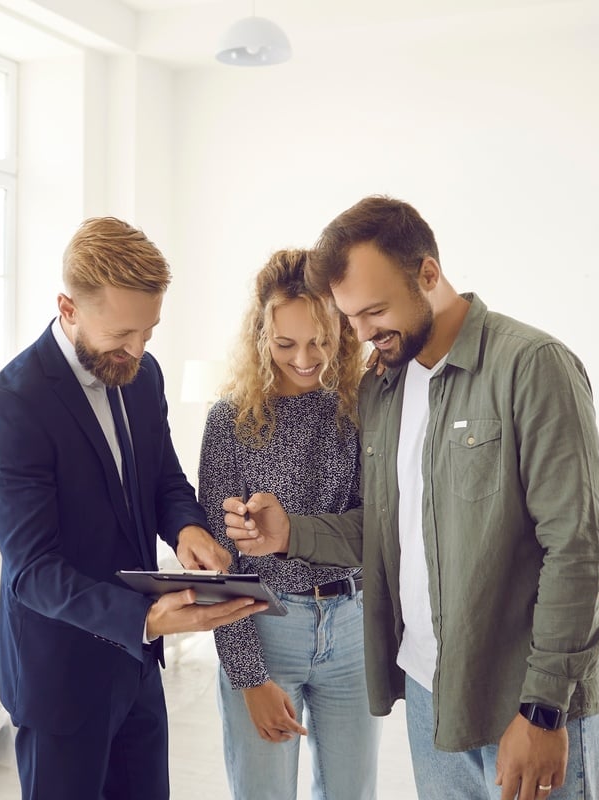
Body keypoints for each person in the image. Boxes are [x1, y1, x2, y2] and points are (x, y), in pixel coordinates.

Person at [223, 197, 599, 800]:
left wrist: (543, 712)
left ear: (428, 275)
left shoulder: (532, 366)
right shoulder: (385, 389)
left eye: (374, 311)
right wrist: (290, 533)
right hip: (430, 695)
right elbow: (387, 532)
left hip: (523, 698)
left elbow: (578, 551)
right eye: (349, 317)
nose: (362, 335)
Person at [0, 216, 267, 800]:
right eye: (122, 335)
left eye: (149, 332)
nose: (136, 350)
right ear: (68, 307)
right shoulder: (9, 408)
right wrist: (145, 618)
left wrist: (186, 527)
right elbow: (33, 571)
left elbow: (162, 478)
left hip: (136, 670)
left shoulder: (143, 375)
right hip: (60, 677)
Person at [198, 249, 381, 799]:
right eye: (285, 344)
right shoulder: (228, 421)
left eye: (320, 341)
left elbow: (375, 525)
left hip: (350, 626)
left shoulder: (357, 406)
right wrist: (250, 677)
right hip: (263, 626)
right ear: (260, 336)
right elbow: (216, 569)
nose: (306, 359)